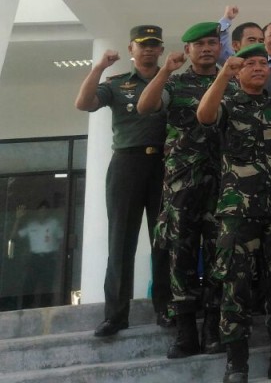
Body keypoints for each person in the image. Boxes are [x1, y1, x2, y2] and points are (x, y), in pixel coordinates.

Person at [196, 43, 271, 383]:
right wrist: (224, 74)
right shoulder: (228, 103)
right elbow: (204, 116)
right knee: (235, 285)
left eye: (264, 63)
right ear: (239, 70)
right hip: (238, 211)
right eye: (251, 64)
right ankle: (237, 363)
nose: (259, 68)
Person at [136, 21, 228, 357]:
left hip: (222, 185)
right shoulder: (176, 83)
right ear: (187, 50)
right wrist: (164, 72)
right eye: (199, 44)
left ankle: (214, 328)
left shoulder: (230, 81)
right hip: (182, 186)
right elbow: (145, 106)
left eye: (211, 43)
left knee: (220, 258)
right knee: (181, 259)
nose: (206, 48)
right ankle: (186, 332)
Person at [74, 24, 172, 337]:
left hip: (164, 164)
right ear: (131, 49)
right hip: (127, 164)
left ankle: (166, 309)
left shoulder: (171, 80)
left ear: (160, 49)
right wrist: (100, 67)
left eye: (154, 44)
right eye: (142, 44)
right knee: (120, 241)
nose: (148, 49)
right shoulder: (117, 84)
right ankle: (115, 315)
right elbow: (84, 103)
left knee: (164, 241)